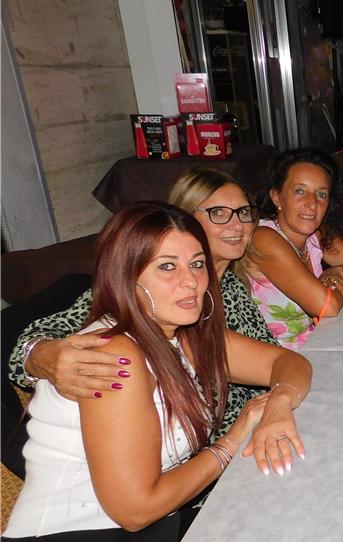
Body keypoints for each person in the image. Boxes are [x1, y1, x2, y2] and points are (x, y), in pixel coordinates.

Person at [2, 203, 338, 542]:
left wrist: (280, 403)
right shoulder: (114, 356)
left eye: (197, 264)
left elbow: (289, 365)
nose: (191, 282)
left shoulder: (185, 336)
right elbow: (136, 508)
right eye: (166, 267)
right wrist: (232, 441)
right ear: (126, 275)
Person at [9, 168, 281, 444]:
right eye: (219, 213)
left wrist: (279, 402)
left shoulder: (232, 285)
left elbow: (273, 355)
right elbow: (26, 344)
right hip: (198, 449)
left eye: (243, 212)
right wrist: (43, 356)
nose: (237, 225)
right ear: (184, 219)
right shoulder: (135, 289)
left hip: (255, 429)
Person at [246, 147, 343, 349]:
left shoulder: (315, 236)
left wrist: (340, 272)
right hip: (276, 358)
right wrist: (336, 283)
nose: (312, 203)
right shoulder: (264, 238)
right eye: (299, 191)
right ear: (277, 197)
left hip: (315, 343)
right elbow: (328, 306)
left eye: (321, 194)